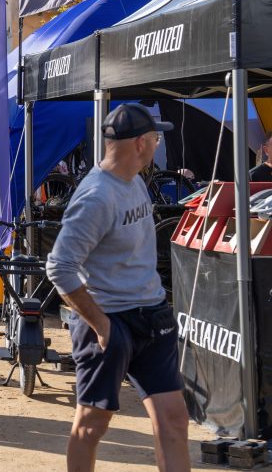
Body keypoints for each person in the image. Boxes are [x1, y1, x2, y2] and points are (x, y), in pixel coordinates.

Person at [46, 103, 188, 472]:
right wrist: (101, 325)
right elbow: (59, 268)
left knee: (173, 419)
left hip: (152, 314)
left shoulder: (135, 178)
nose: (158, 143)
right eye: (156, 137)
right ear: (141, 143)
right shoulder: (96, 196)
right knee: (92, 424)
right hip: (109, 322)